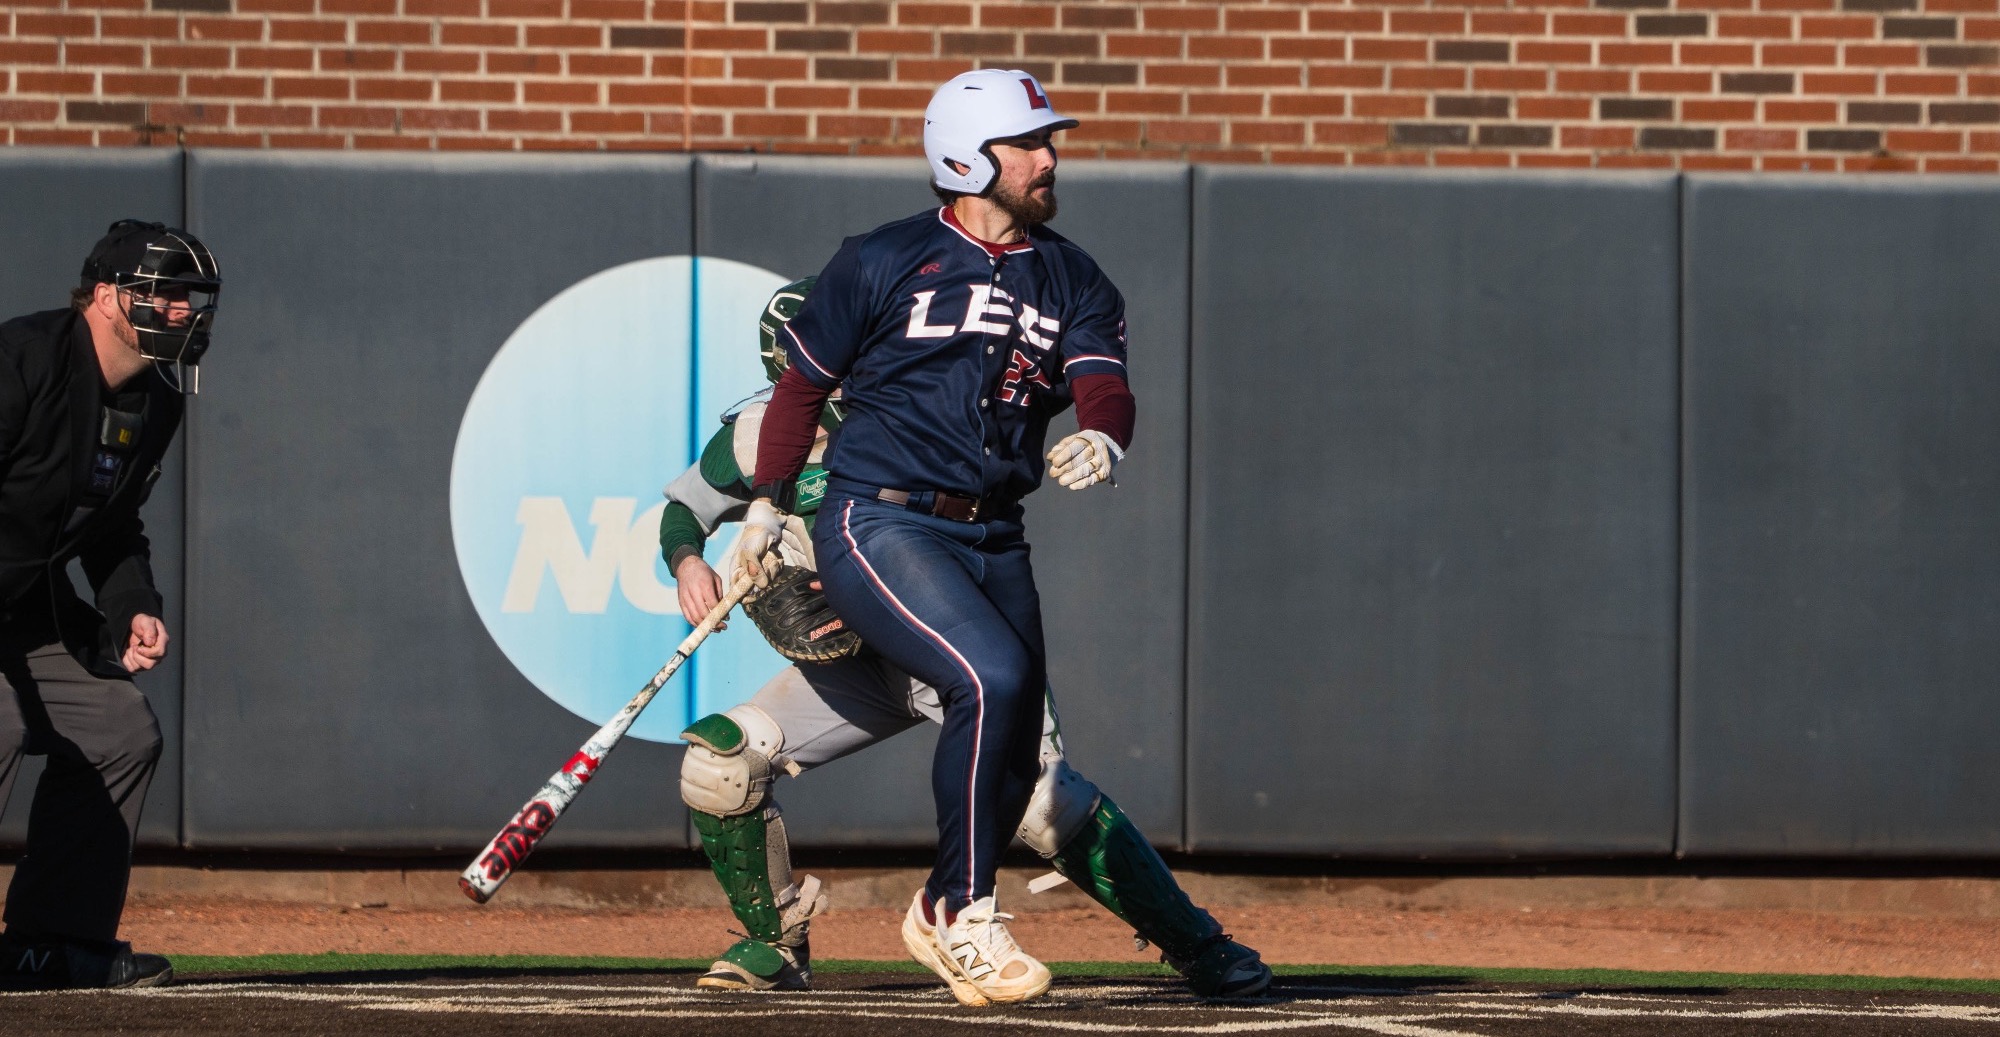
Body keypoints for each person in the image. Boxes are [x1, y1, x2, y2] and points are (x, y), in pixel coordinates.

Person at [670, 69, 1270, 1004]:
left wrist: (1105, 434)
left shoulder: (1074, 274)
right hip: (882, 518)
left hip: (991, 538)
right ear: (964, 157)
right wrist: (761, 511)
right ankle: (921, 918)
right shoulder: (879, 259)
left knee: (1028, 772)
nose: (1048, 156)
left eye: (1047, 139)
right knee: (975, 681)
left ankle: (1171, 938)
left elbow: (1103, 381)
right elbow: (797, 392)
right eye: (1026, 143)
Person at [0, 220, 221, 989]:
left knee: (120, 731)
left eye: (190, 297)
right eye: (163, 293)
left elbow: (112, 526)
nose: (181, 311)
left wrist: (132, 606)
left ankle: (47, 944)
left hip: (25, 606)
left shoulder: (156, 403)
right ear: (104, 296)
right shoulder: (20, 360)